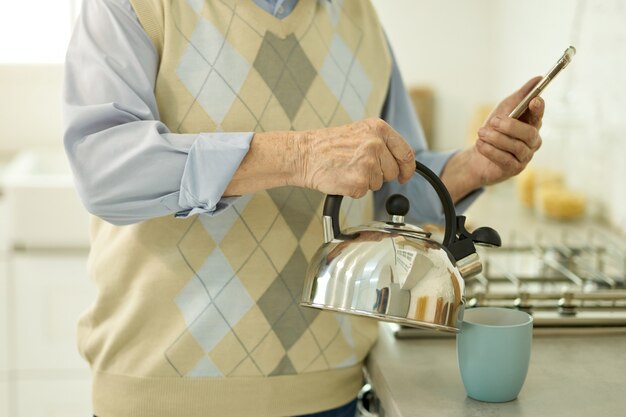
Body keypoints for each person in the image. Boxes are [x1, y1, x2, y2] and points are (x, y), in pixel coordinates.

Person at [63, 0, 544, 416]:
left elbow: (393, 185)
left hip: (331, 392)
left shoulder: (359, 17)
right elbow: (106, 169)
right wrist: (299, 156)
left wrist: (472, 166)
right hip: (163, 396)